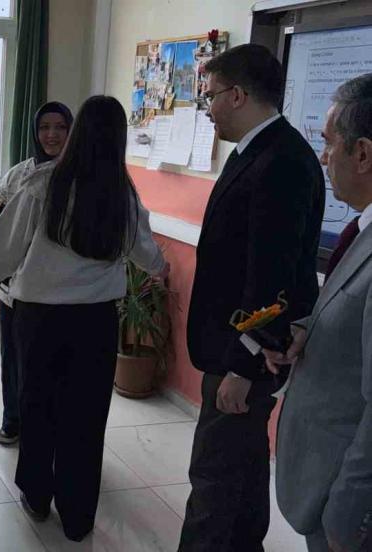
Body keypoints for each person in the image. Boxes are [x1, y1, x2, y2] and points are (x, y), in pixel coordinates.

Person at [0, 96, 168, 541]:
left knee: (38, 406)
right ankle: (78, 515)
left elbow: (4, 254)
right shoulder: (122, 193)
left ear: (76, 132)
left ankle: (36, 495)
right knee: (86, 417)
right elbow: (150, 258)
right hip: (96, 323)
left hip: (40, 320)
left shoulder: (42, 184)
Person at [179, 44, 325, 552]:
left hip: (244, 356)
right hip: (233, 347)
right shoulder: (254, 151)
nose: (209, 108)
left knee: (213, 478)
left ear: (238, 95)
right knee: (241, 472)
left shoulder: (282, 161)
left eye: (211, 96)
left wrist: (244, 364)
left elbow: (273, 275)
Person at [265, 73, 372, 552]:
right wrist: (310, 330)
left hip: (345, 497)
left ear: (362, 154)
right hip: (323, 475)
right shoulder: (361, 231)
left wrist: (349, 512)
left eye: (329, 143)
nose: (324, 158)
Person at [0, 101, 73, 445]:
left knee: (52, 365)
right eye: (44, 127)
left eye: (60, 127)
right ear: (35, 133)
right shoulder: (18, 174)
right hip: (13, 288)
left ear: (71, 131)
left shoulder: (79, 175)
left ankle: (50, 426)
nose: (52, 135)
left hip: (58, 293)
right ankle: (13, 420)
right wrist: (5, 241)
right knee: (13, 359)